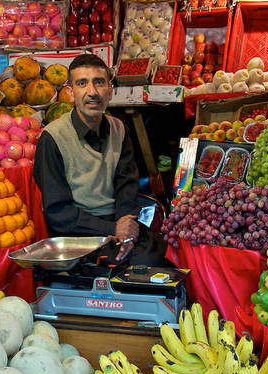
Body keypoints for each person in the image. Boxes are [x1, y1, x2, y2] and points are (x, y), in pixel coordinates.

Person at [33, 53, 168, 266]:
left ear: (110, 90)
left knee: (159, 253)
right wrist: (112, 230)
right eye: (82, 84)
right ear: (70, 93)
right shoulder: (53, 138)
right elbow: (58, 212)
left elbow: (127, 186)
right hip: (79, 232)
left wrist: (126, 229)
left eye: (99, 83)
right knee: (133, 265)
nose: (92, 92)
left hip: (117, 222)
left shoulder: (119, 129)